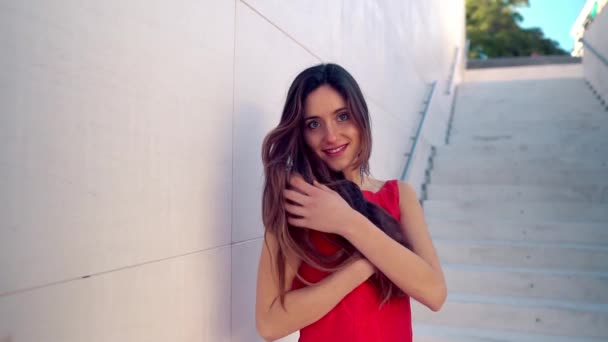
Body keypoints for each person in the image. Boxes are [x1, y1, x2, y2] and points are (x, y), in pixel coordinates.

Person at [255, 63, 446, 342]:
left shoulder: (399, 196)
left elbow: (434, 293)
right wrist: (362, 267)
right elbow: (269, 323)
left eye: (342, 116)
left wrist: (346, 222)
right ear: (302, 134)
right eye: (314, 124)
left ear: (360, 118)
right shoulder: (301, 202)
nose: (331, 136)